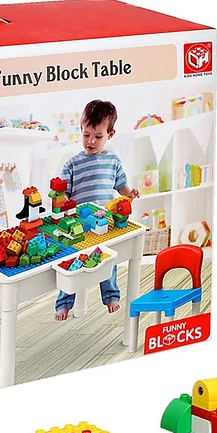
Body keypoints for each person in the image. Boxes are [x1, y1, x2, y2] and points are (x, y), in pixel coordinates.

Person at [53, 100, 140, 320]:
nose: (91, 141)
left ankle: (111, 296)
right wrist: (62, 200)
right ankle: (64, 303)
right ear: (81, 130)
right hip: (78, 224)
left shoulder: (113, 160)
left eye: (98, 136)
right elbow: (63, 192)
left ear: (110, 134)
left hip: (105, 222)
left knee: (108, 260)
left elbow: (121, 187)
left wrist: (130, 194)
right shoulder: (72, 164)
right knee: (71, 263)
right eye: (86, 134)